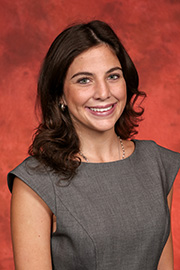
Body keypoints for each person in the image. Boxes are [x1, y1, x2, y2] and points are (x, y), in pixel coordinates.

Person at [8, 20, 180, 270]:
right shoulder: (36, 182)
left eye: (113, 76)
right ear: (60, 96)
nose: (103, 92)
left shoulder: (157, 164)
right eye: (84, 80)